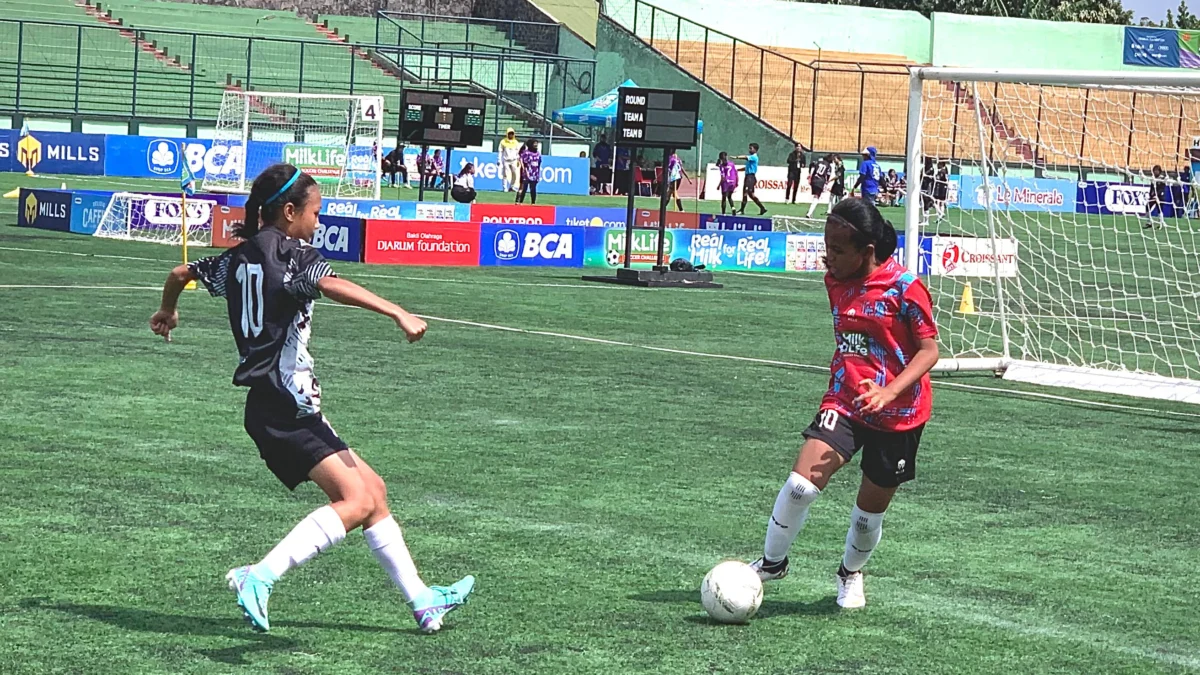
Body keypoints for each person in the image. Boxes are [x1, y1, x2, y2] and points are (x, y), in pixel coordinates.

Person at [148, 163, 475, 634]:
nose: (318, 221)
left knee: (374, 493)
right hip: (284, 408)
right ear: (288, 211)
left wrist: (167, 310)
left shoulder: (234, 259)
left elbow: (181, 272)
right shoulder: (293, 255)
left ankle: (423, 600)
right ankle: (259, 576)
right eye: (315, 212)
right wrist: (397, 311)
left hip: (279, 406)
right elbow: (332, 284)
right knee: (356, 500)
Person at [748, 197, 939, 610]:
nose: (827, 257)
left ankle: (850, 574)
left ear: (867, 252)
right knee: (801, 485)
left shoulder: (906, 288)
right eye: (826, 246)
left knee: (869, 512)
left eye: (837, 250)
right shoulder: (834, 278)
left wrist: (889, 391)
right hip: (846, 398)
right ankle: (771, 563)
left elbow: (929, 351)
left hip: (901, 414)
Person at [733, 143, 767, 216]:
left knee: (746, 192)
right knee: (750, 194)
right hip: (748, 177)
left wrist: (736, 157)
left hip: (750, 177)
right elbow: (747, 168)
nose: (749, 150)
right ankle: (762, 208)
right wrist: (737, 170)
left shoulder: (754, 157)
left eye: (751, 148)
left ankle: (742, 210)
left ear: (755, 150)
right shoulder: (751, 158)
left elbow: (745, 157)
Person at [805, 154, 833, 219]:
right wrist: (826, 183)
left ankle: (810, 212)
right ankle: (809, 213)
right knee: (817, 197)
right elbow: (828, 175)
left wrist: (810, 175)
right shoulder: (829, 166)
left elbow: (812, 166)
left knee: (815, 195)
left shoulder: (819, 162)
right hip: (820, 181)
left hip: (814, 179)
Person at [516, 139, 542, 205]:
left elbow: (539, 164)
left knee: (533, 188)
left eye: (537, 143)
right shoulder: (526, 153)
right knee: (524, 188)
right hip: (527, 172)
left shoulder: (538, 153)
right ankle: (520, 202)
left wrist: (538, 173)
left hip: (535, 173)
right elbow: (523, 162)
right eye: (534, 143)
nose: (536, 145)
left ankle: (533, 203)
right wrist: (525, 170)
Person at [1144, 164, 1168, 229]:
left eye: (1156, 170)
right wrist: (1151, 194)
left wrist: (1157, 194)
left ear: (1159, 171)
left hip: (1160, 197)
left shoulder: (1162, 178)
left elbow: (1162, 188)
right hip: (1153, 196)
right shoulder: (1153, 178)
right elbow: (1151, 187)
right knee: (1147, 207)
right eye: (1154, 170)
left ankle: (1160, 223)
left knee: (1159, 210)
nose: (1155, 172)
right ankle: (1149, 222)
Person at [498, 128, 522, 193]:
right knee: (505, 174)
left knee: (515, 174)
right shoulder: (503, 142)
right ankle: (504, 188)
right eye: (509, 134)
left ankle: (512, 187)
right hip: (506, 160)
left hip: (513, 160)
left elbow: (518, 152)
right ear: (507, 134)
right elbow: (500, 151)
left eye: (512, 134)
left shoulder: (516, 142)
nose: (511, 135)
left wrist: (518, 160)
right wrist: (499, 160)